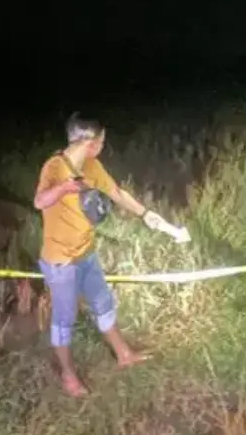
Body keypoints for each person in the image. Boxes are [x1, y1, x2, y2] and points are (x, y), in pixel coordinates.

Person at [33, 112, 190, 397]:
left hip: (86, 252)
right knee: (64, 319)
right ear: (89, 142)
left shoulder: (91, 166)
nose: (103, 146)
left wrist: (145, 214)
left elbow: (116, 192)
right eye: (102, 142)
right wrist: (64, 187)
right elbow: (39, 201)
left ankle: (124, 355)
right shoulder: (54, 167)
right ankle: (68, 376)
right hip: (60, 261)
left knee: (102, 302)